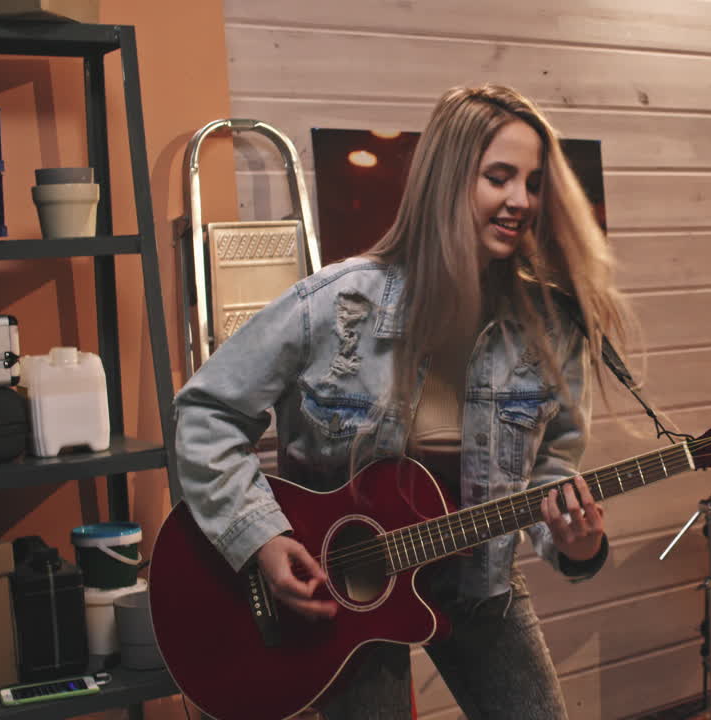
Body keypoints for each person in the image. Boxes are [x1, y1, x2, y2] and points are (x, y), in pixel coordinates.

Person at [173, 84, 637, 719]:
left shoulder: (552, 326)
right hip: (340, 588)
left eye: (532, 182)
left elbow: (552, 474)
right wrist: (261, 538)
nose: (521, 201)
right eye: (499, 177)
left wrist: (576, 544)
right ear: (448, 180)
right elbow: (206, 411)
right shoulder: (336, 305)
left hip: (480, 580)